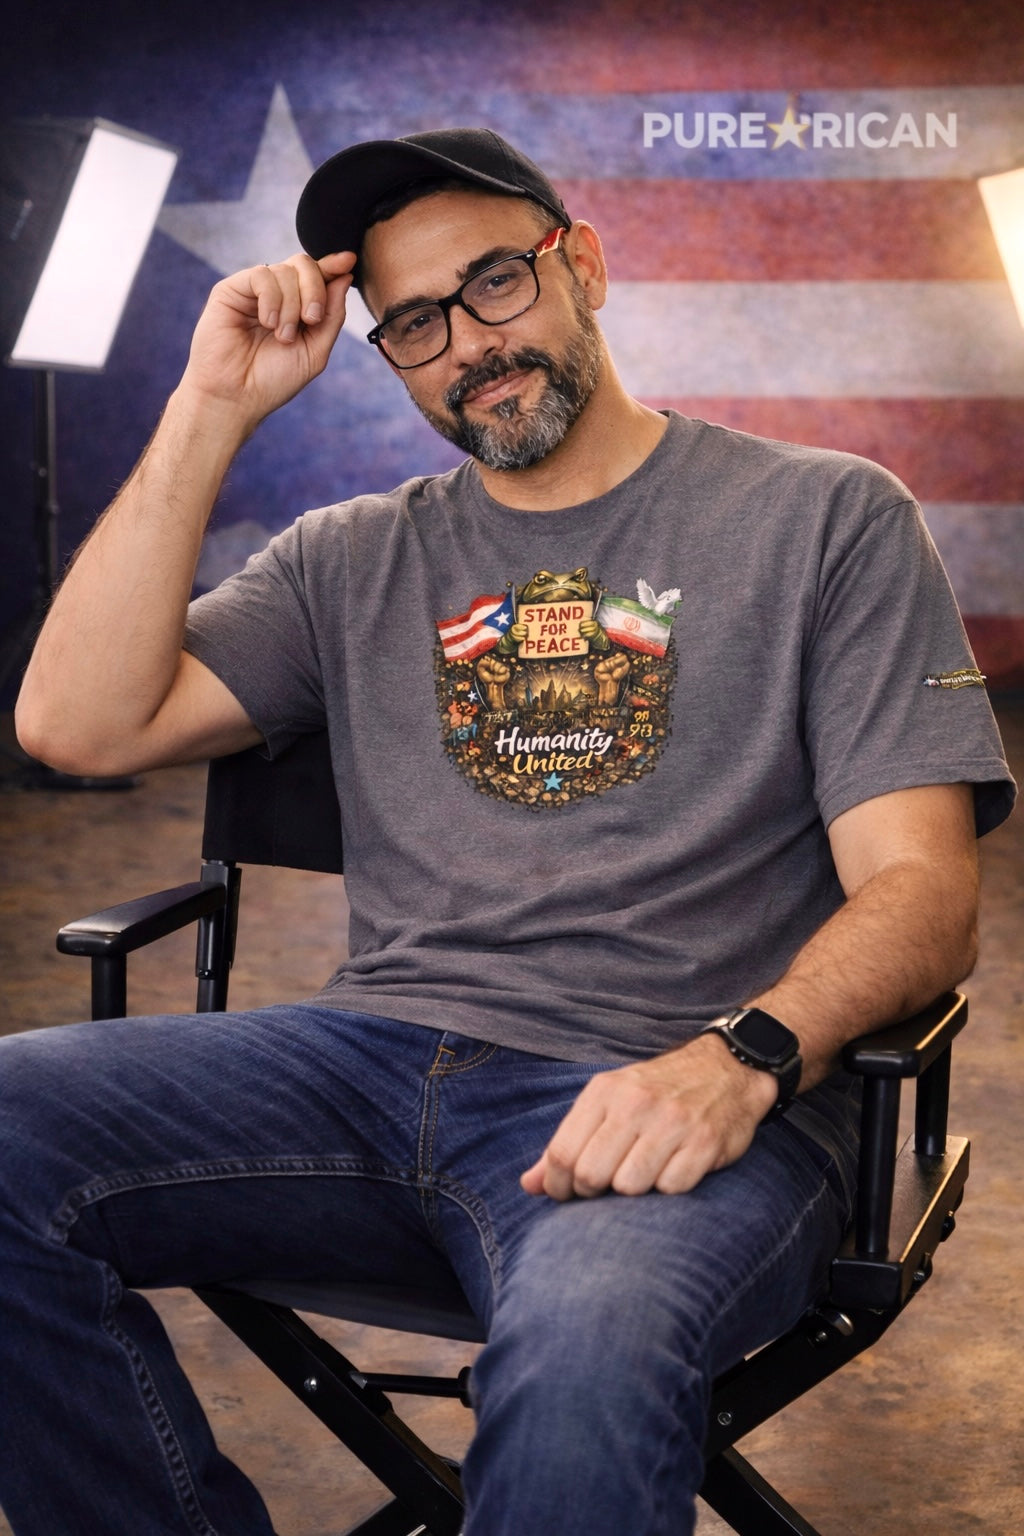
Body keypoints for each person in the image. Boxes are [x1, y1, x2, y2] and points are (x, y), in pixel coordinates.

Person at [2, 127, 1015, 1536]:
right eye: (415, 323)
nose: (469, 345)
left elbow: (925, 894)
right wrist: (210, 406)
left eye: (494, 283)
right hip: (368, 1065)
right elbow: (72, 726)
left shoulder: (825, 517)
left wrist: (742, 1059)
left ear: (581, 264)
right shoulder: (350, 556)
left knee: (585, 1364)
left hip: (679, 1084)